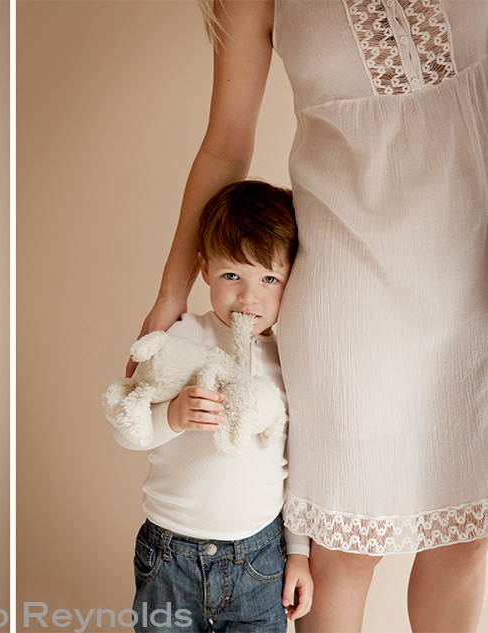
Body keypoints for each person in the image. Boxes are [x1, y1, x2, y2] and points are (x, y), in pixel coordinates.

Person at [129, 2, 487, 630]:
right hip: (348, 288)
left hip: (474, 269)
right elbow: (225, 146)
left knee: (466, 543)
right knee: (342, 556)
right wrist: (170, 295)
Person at [114, 180, 312, 630]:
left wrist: (298, 554)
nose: (248, 296)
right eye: (231, 276)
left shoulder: (288, 360)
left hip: (259, 559)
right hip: (169, 555)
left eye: (269, 278)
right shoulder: (180, 338)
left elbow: (296, 464)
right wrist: (172, 417)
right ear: (203, 270)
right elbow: (125, 429)